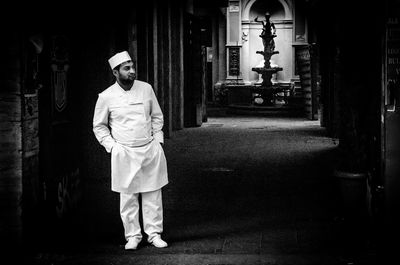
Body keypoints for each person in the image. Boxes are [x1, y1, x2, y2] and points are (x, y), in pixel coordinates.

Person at [93, 51, 169, 250]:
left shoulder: (146, 89)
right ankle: (133, 236)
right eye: (127, 68)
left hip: (149, 149)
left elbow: (157, 117)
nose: (132, 71)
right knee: (128, 196)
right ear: (115, 72)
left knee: (153, 194)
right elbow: (99, 126)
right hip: (124, 152)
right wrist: (113, 147)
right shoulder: (106, 96)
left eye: (132, 67)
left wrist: (157, 141)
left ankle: (154, 234)